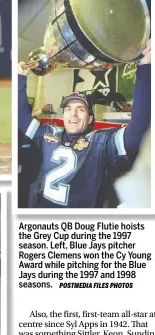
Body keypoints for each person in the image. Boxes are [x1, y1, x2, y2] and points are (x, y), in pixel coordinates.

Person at [18, 39, 151, 208]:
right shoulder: (46, 133)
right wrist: (19, 78)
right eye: (68, 109)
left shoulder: (101, 143)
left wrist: (146, 67)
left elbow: (137, 135)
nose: (73, 114)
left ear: (89, 118)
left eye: (80, 109)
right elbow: (21, 117)